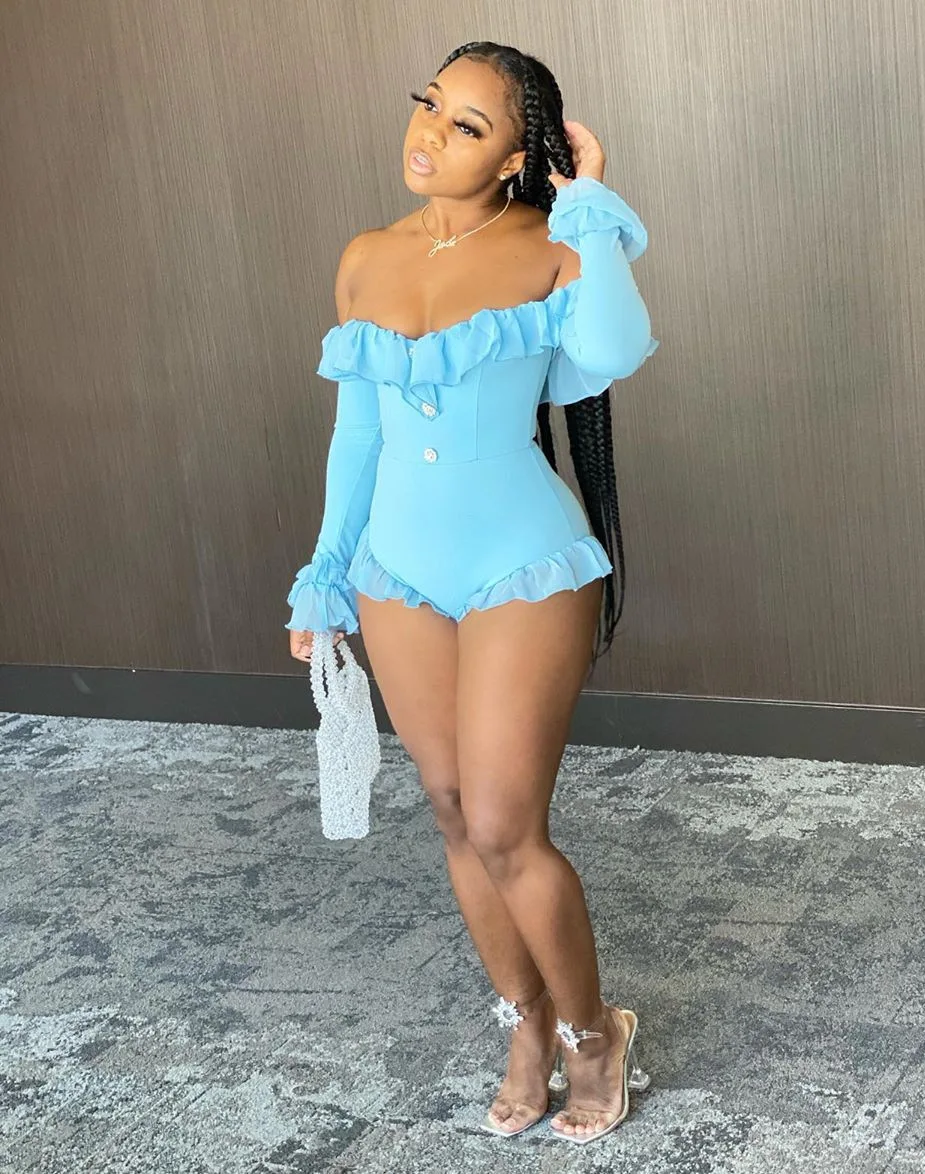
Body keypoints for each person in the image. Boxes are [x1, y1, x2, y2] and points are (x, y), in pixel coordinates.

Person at [284, 40, 656, 1145]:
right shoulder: (365, 258)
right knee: (449, 809)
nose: (429, 134)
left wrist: (588, 200)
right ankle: (526, 1022)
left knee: (504, 823)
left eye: (467, 125)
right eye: (429, 105)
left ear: (512, 159)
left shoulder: (552, 245)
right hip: (396, 570)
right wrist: (324, 575)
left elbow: (618, 346)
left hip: (520, 563)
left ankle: (595, 1032)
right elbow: (357, 436)